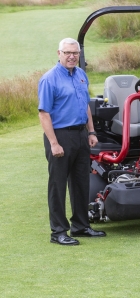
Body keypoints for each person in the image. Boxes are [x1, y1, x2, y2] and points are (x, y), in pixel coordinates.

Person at [38, 38, 106, 246]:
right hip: (60, 135)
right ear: (59, 53)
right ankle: (58, 231)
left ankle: (81, 226)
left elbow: (85, 106)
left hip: (80, 135)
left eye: (75, 53)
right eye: (67, 52)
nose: (71, 56)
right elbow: (44, 114)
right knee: (58, 185)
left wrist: (91, 131)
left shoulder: (81, 75)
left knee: (80, 183)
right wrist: (54, 143)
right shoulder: (50, 79)